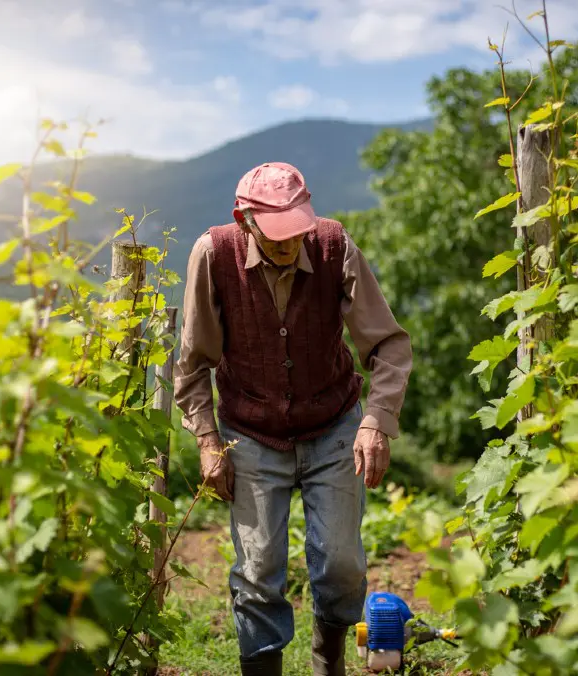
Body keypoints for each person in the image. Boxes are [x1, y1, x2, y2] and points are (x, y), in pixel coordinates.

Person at [174, 161, 413, 676]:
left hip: (333, 423)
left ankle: (329, 664)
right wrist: (207, 440)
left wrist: (376, 421)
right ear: (245, 222)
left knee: (343, 562)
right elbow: (193, 364)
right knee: (258, 569)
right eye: (277, 236)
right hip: (251, 431)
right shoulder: (213, 254)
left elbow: (388, 344)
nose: (290, 245)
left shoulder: (334, 245)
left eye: (297, 233)